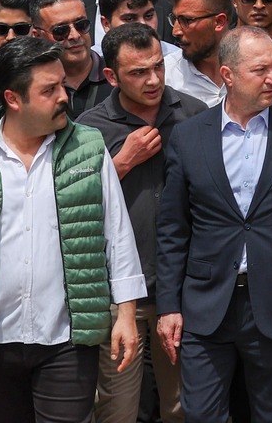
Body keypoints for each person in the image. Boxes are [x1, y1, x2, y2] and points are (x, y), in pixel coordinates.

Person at [0, 36, 144, 422]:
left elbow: (116, 235)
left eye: (63, 86)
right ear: (13, 99)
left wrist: (125, 314)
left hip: (67, 340)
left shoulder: (88, 148)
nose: (63, 97)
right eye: (49, 90)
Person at [155, 26, 272, 422]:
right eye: (260, 70)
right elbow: (173, 230)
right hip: (206, 304)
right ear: (228, 75)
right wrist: (168, 306)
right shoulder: (188, 137)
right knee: (202, 414)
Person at [74, 22, 203, 423]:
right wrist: (121, 163)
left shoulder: (194, 114)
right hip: (117, 292)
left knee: (185, 406)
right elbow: (71, 209)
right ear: (110, 76)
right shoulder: (88, 131)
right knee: (117, 408)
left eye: (158, 67)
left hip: (183, 288)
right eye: (138, 72)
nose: (153, 80)